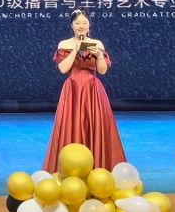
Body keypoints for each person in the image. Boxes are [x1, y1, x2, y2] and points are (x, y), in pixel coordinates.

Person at [43, 9, 126, 172]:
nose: (81, 26)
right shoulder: (64, 44)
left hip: (92, 89)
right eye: (77, 23)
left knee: (95, 126)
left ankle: (98, 167)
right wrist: (76, 49)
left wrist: (99, 55)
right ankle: (70, 168)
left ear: (89, 25)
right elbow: (63, 69)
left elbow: (102, 71)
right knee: (71, 126)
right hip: (72, 89)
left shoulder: (97, 44)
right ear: (71, 25)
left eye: (84, 22)